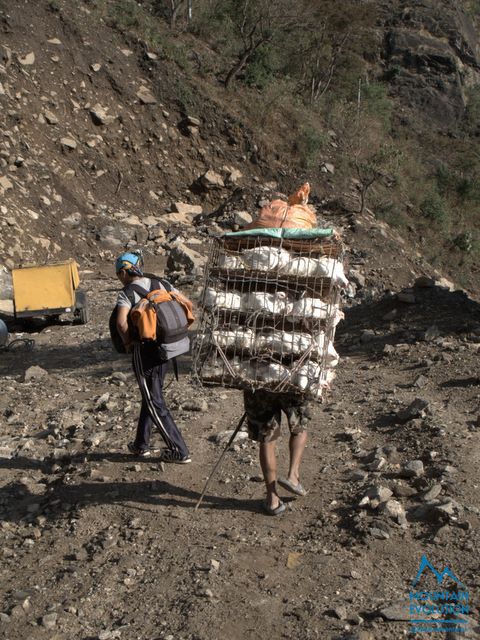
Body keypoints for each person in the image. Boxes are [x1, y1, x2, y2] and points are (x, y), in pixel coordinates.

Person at [114, 251, 191, 463]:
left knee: (155, 400)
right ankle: (141, 444)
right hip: (168, 347)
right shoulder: (163, 283)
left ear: (123, 272)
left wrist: (128, 343)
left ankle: (179, 450)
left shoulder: (127, 293)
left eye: (119, 274)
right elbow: (186, 303)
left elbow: (121, 323)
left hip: (145, 350)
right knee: (150, 394)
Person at [244, 388, 311, 515]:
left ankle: (272, 500)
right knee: (299, 427)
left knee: (267, 438)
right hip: (292, 382)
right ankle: (293, 476)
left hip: (260, 385)